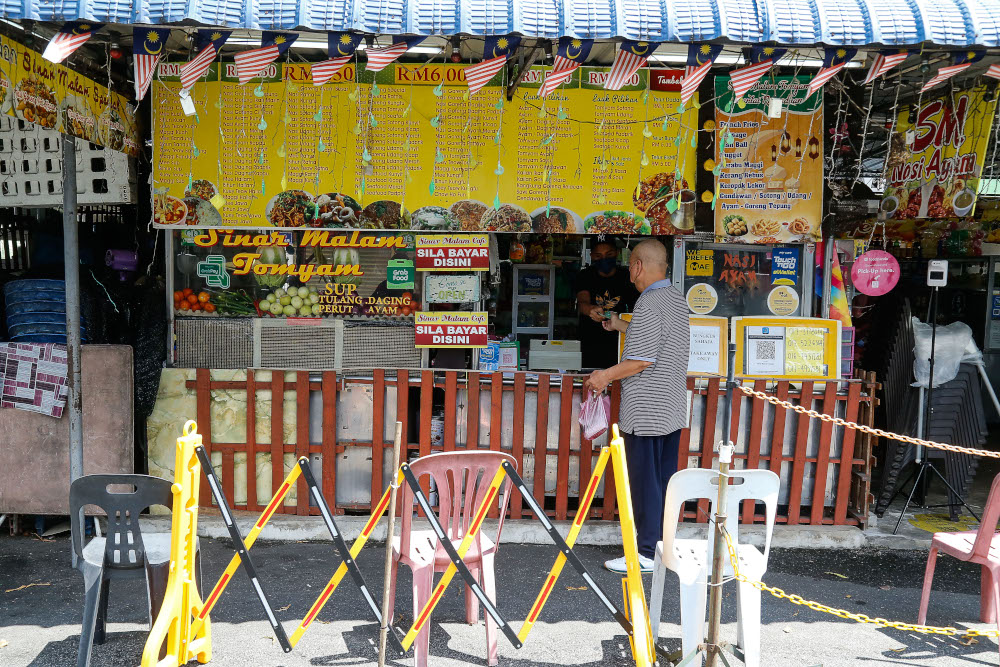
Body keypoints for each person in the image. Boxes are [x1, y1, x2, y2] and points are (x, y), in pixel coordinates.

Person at [584, 239, 689, 573]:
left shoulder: (649, 302)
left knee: (645, 483)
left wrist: (604, 376)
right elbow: (660, 339)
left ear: (639, 266)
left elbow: (641, 360)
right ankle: (661, 547)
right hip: (670, 407)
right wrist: (619, 325)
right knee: (662, 480)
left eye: (630, 264)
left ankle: (645, 553)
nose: (629, 270)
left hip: (646, 411)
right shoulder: (674, 297)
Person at [575, 240, 639, 369]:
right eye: (598, 256)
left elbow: (636, 309)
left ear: (616, 253)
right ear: (592, 256)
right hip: (591, 339)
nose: (604, 259)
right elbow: (582, 303)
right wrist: (590, 310)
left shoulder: (627, 277)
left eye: (609, 254)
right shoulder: (585, 276)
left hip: (620, 339)